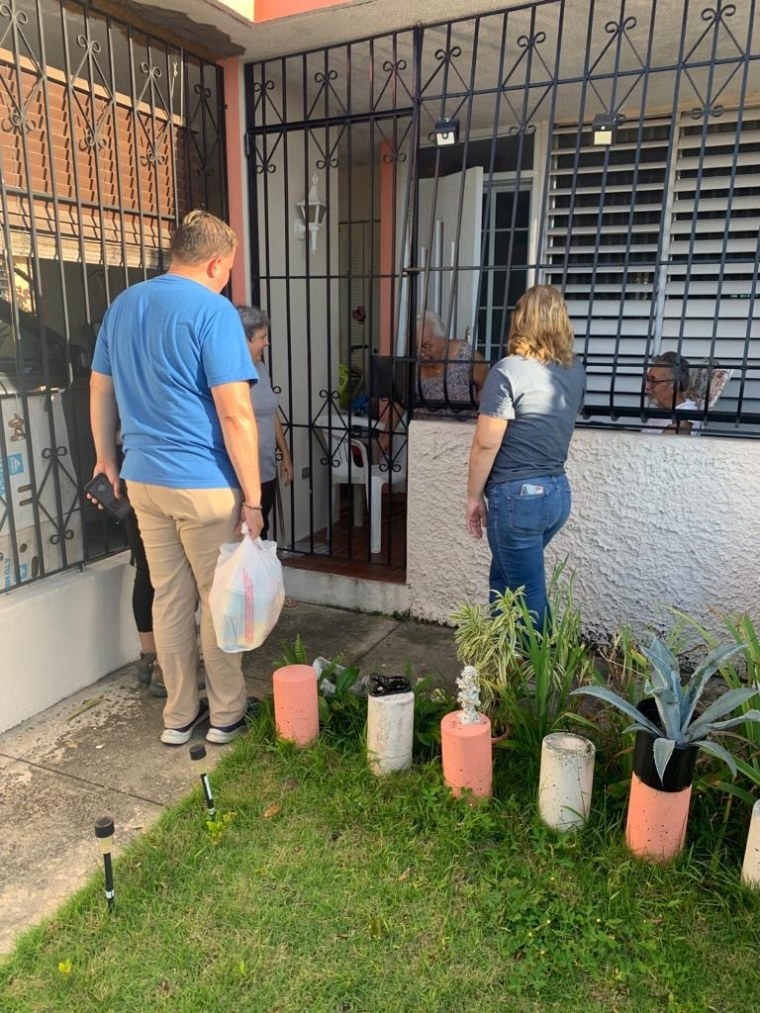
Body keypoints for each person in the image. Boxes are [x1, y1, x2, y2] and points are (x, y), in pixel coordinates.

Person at [90, 210, 264, 747]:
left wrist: (105, 459)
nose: (226, 280)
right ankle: (226, 715)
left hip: (143, 479)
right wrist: (254, 499)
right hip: (204, 483)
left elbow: (100, 388)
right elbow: (236, 413)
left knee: (169, 596)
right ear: (216, 262)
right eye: (227, 270)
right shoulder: (213, 313)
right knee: (218, 599)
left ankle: (178, 714)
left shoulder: (124, 306)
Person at [465, 285, 586, 630]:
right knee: (504, 577)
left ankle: (543, 674)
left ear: (521, 321)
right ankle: (504, 662)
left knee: (526, 591)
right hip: (557, 494)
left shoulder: (507, 371)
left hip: (519, 498)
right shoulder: (574, 371)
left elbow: (486, 444)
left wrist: (474, 498)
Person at [237, 306, 294, 540]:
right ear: (244, 340)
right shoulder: (231, 375)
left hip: (266, 469)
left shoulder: (260, 368)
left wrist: (286, 455)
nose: (267, 342)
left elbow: (271, 412)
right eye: (262, 337)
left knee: (261, 533)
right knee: (243, 539)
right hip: (242, 476)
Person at [416, 311, 489, 407]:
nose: (420, 353)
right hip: (422, 421)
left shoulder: (465, 355)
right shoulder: (412, 364)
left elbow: (486, 385)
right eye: (415, 347)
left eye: (426, 346)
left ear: (442, 339)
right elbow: (400, 398)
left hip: (461, 421)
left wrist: (479, 415)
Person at [643, 352, 700, 435]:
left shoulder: (686, 414)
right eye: (648, 380)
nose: (647, 386)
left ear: (674, 386)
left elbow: (666, 442)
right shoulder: (662, 409)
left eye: (653, 381)